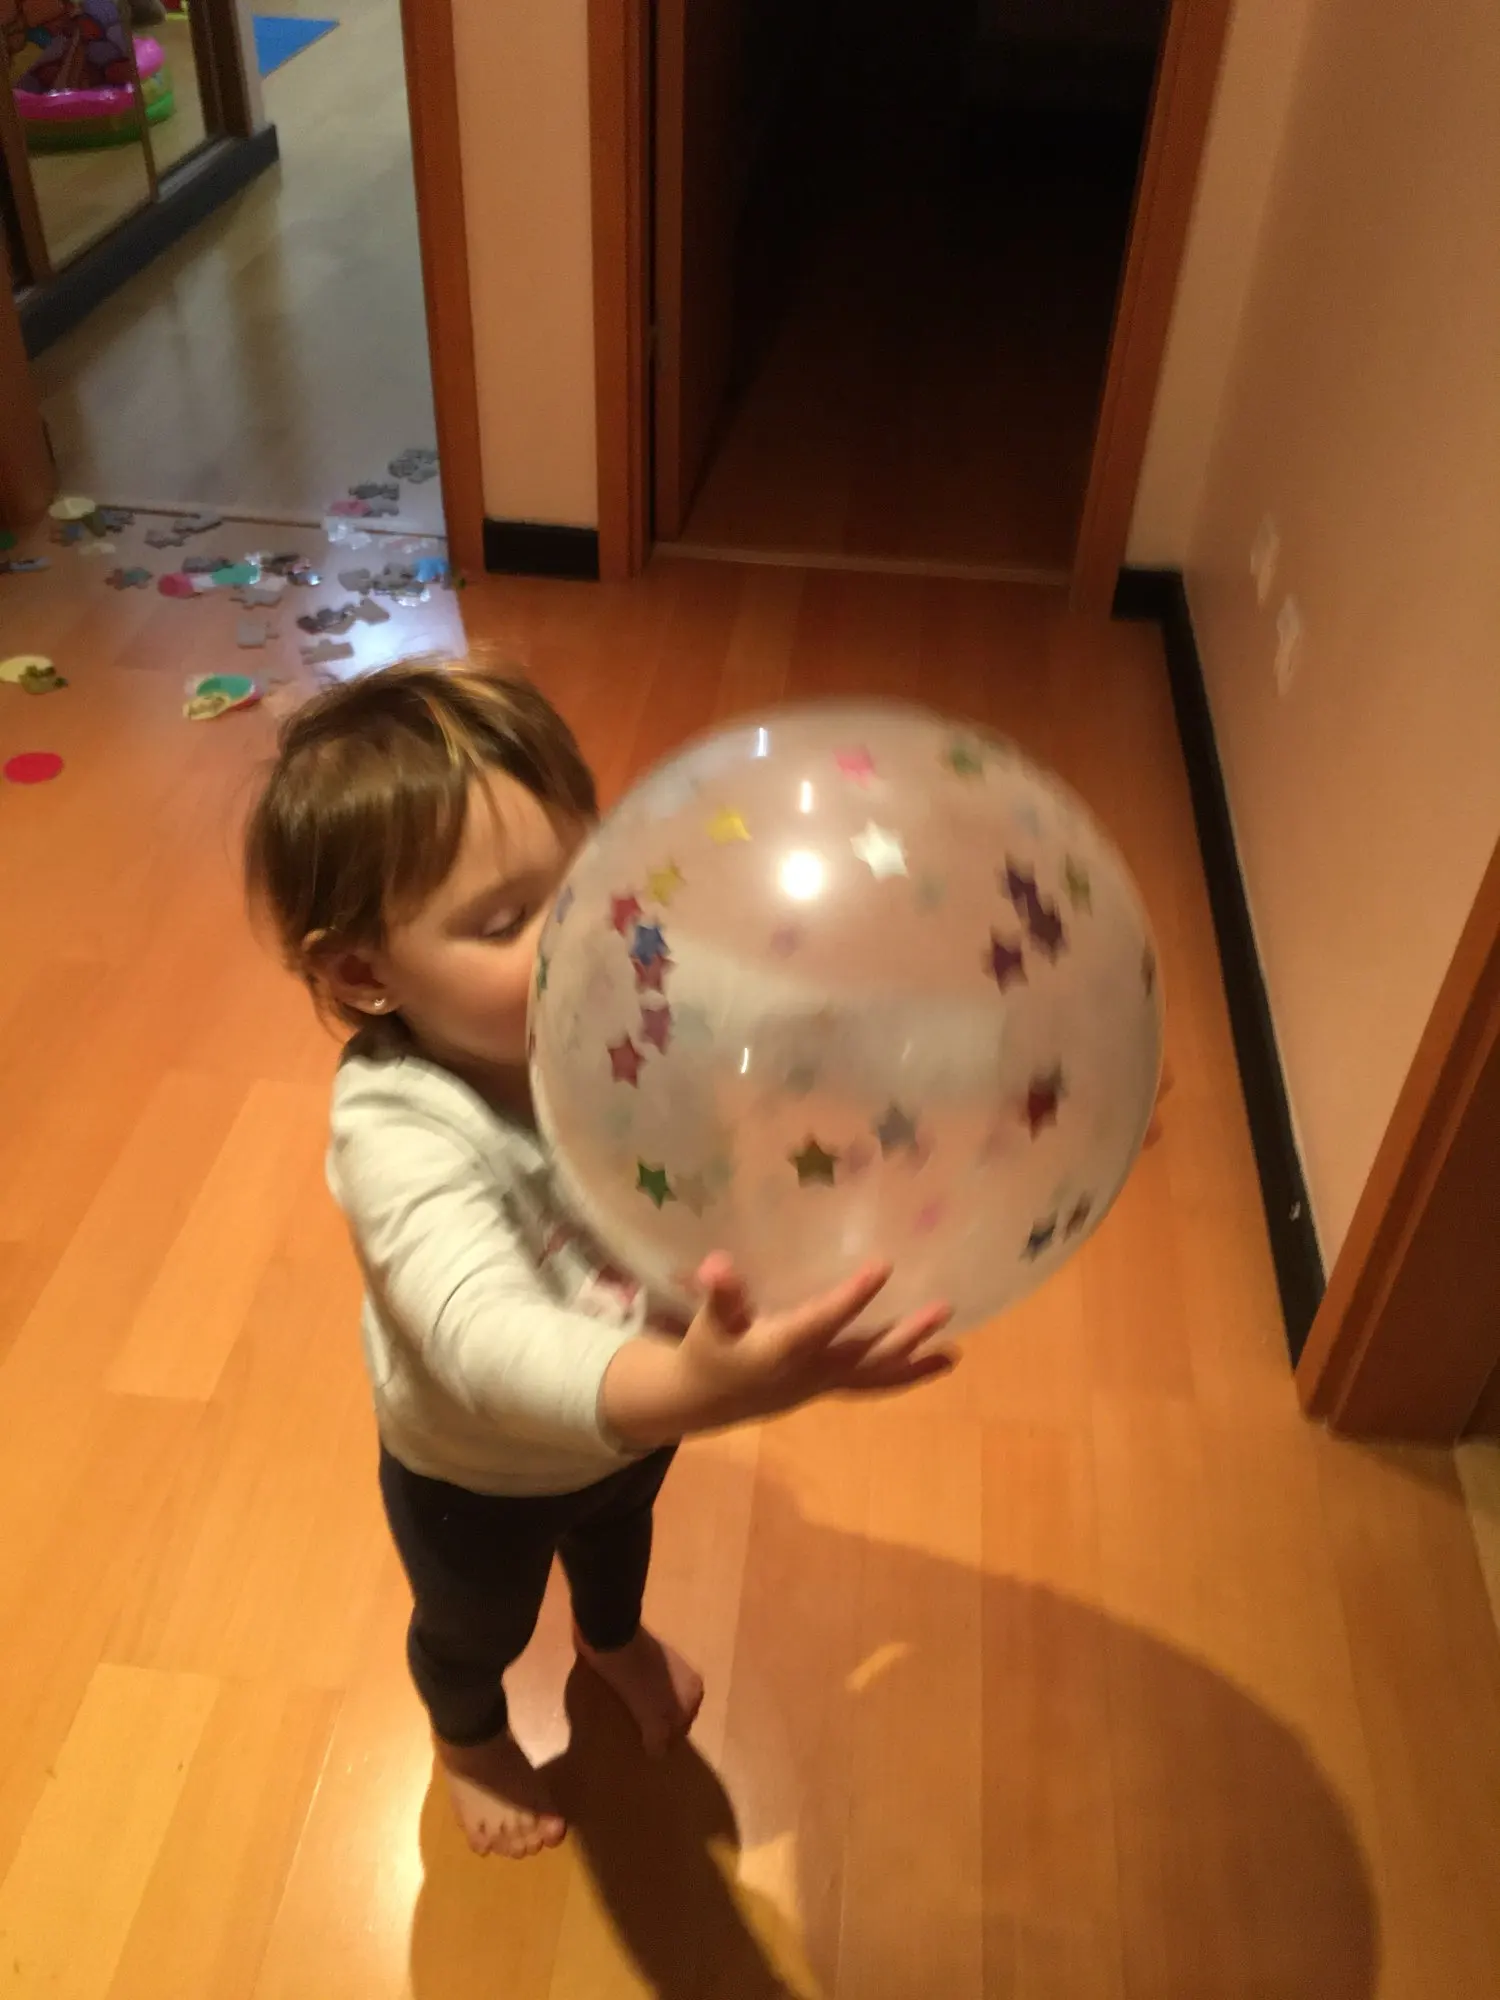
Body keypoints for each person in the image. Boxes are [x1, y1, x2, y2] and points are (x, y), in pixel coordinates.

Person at [244, 661, 957, 1859]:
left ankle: (609, 1635)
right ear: (364, 972)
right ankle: (467, 1734)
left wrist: (1014, 1069)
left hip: (636, 1416)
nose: (581, 936)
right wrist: (688, 1385)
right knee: (473, 1621)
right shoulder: (398, 1127)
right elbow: (477, 1336)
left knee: (620, 1542)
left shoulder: (632, 992)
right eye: (506, 920)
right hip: (477, 1469)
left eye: (587, 883)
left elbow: (811, 1026)